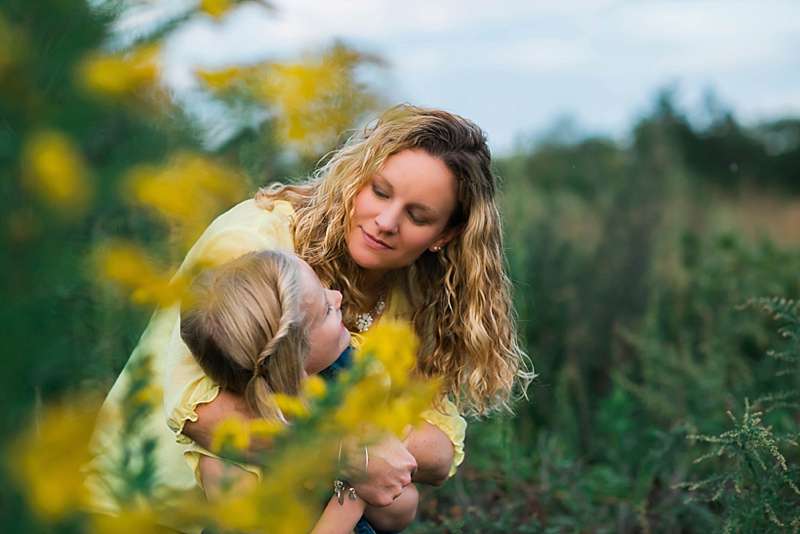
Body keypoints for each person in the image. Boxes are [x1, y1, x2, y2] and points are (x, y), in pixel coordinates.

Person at [88, 104, 532, 529]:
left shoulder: (421, 297)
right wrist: (350, 454)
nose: (386, 221)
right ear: (357, 178)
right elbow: (201, 413)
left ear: (446, 234)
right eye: (379, 192)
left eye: (418, 216)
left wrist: (365, 455)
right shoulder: (257, 241)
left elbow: (436, 449)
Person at [179, 249, 417, 533]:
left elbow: (401, 489)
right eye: (326, 311)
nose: (337, 297)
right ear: (294, 360)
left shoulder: (343, 372)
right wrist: (355, 488)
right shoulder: (229, 456)